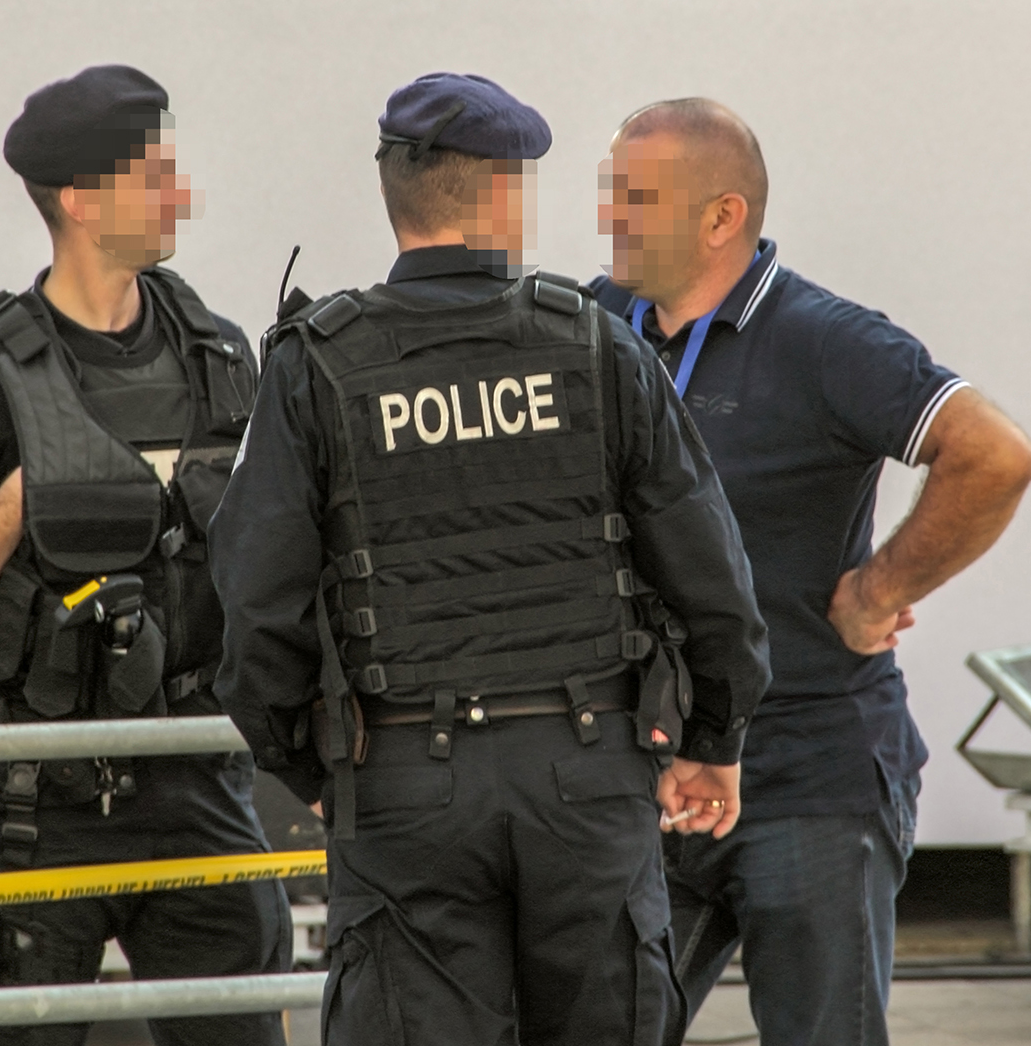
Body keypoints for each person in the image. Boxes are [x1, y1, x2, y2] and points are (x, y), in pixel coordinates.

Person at [210, 72, 772, 1044]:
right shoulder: (596, 346)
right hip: (587, 770)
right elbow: (710, 573)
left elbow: (256, 601)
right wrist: (714, 740)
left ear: (394, 197)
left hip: (399, 780)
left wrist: (308, 763)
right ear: (507, 197)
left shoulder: (318, 363)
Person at [588, 99, 1031, 1046]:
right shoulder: (594, 325)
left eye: (635, 198)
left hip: (808, 774)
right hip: (647, 771)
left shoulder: (825, 339)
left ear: (722, 216)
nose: (609, 218)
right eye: (609, 192)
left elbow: (994, 454)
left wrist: (882, 587)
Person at [0, 64, 290, 1046]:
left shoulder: (219, 355)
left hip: (195, 776)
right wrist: (23, 501)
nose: (179, 193)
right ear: (80, 200)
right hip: (39, 798)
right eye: (155, 175)